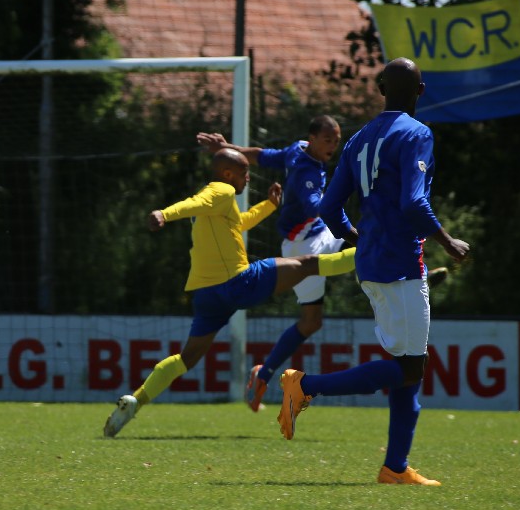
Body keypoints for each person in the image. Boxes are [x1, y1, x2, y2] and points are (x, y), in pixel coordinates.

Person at [275, 57, 470, 486]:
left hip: (371, 263)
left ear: (381, 89)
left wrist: (357, 236)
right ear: (421, 91)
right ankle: (306, 386)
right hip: (401, 263)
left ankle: (395, 467)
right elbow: (414, 203)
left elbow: (330, 207)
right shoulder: (417, 133)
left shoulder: (358, 139)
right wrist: (447, 240)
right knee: (410, 370)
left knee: (407, 368)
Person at [103, 146, 357, 437]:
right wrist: (164, 214)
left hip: (206, 294)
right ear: (227, 174)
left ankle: (136, 401)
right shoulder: (220, 191)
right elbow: (191, 203)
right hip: (238, 282)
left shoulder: (219, 204)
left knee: (187, 358)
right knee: (308, 264)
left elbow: (238, 224)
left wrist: (268, 206)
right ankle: (368, 251)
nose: (248, 177)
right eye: (244, 172)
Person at [196, 117, 358, 413]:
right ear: (312, 138)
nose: (333, 146)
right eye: (328, 140)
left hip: (305, 238)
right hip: (307, 244)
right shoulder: (308, 172)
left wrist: (226, 148)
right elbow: (317, 207)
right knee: (365, 244)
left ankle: (263, 375)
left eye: (336, 141)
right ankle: (399, 267)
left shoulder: (298, 149)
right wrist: (345, 211)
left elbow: (261, 155)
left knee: (312, 321)